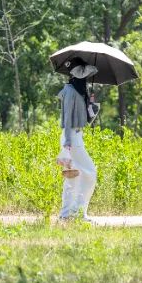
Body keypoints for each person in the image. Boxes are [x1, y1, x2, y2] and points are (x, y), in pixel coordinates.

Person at [56, 61, 98, 221]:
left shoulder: (79, 91)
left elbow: (85, 120)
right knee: (90, 172)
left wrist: (91, 106)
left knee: (73, 177)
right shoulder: (70, 90)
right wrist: (66, 144)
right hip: (71, 137)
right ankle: (77, 213)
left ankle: (67, 215)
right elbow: (66, 119)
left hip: (75, 135)